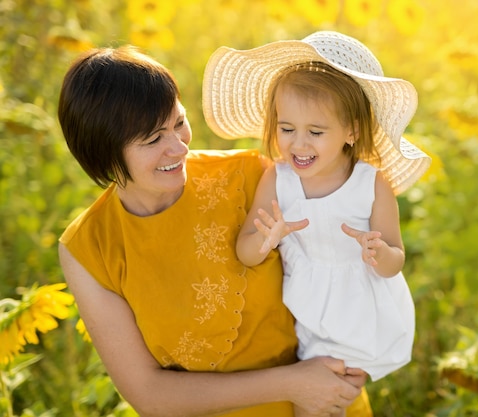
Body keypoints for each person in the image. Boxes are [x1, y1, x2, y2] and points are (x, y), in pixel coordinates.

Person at [57, 45, 373, 417]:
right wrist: (293, 383)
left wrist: (344, 372)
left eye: (178, 123)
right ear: (103, 154)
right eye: (152, 140)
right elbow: (149, 395)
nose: (177, 148)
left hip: (324, 406)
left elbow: (348, 278)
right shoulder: (89, 249)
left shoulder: (251, 176)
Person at [202, 31, 432, 416]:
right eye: (287, 128)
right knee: (315, 399)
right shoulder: (278, 179)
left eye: (316, 132)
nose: (298, 144)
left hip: (362, 311)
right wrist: (266, 238)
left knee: (335, 395)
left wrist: (378, 252)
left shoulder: (370, 184)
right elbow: (245, 251)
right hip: (309, 312)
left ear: (351, 131)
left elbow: (397, 257)